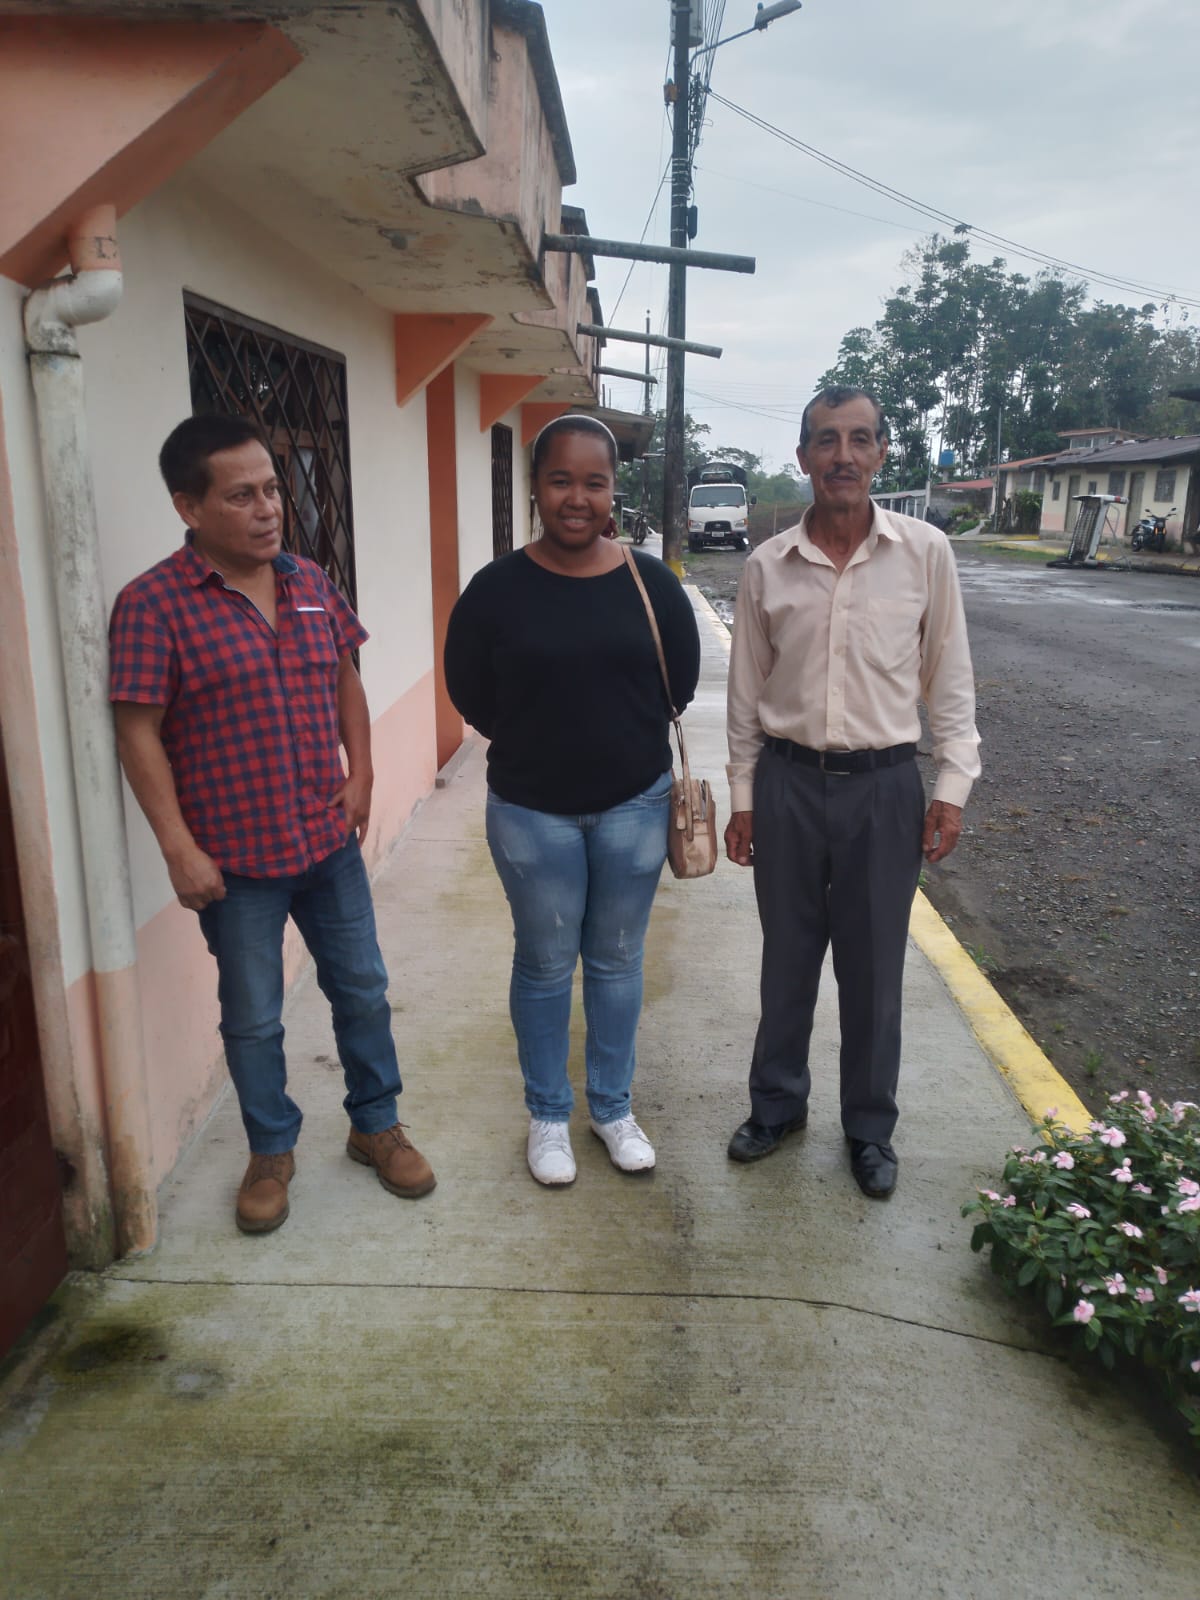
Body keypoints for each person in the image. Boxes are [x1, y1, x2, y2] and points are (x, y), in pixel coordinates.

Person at [109, 414, 435, 1235]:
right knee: (253, 1017)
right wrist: (177, 848)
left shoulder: (309, 580)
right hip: (235, 861)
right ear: (189, 507)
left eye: (272, 489)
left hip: (326, 845)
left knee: (362, 991)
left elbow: (345, 676)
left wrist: (362, 772)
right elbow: (137, 731)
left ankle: (376, 1125)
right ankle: (270, 1150)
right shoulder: (152, 605)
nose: (268, 509)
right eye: (242, 495)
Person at [724, 387, 980, 1199]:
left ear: (880, 454)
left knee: (873, 971)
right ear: (803, 456)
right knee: (787, 961)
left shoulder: (925, 553)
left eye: (860, 439)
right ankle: (777, 1107)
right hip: (788, 784)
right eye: (827, 440)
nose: (843, 455)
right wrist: (743, 797)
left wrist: (952, 786)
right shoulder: (767, 565)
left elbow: (950, 679)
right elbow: (744, 695)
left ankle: (869, 1129)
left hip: (883, 789)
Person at [444, 414, 700, 1186]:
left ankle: (612, 1109)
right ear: (535, 487)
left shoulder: (651, 583)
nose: (577, 498)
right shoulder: (496, 590)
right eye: (561, 480)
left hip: (635, 805)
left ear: (614, 489)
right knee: (546, 962)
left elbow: (679, 682)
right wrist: (538, 740)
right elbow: (469, 688)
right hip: (531, 812)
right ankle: (549, 1116)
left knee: (618, 961)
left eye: (594, 482)